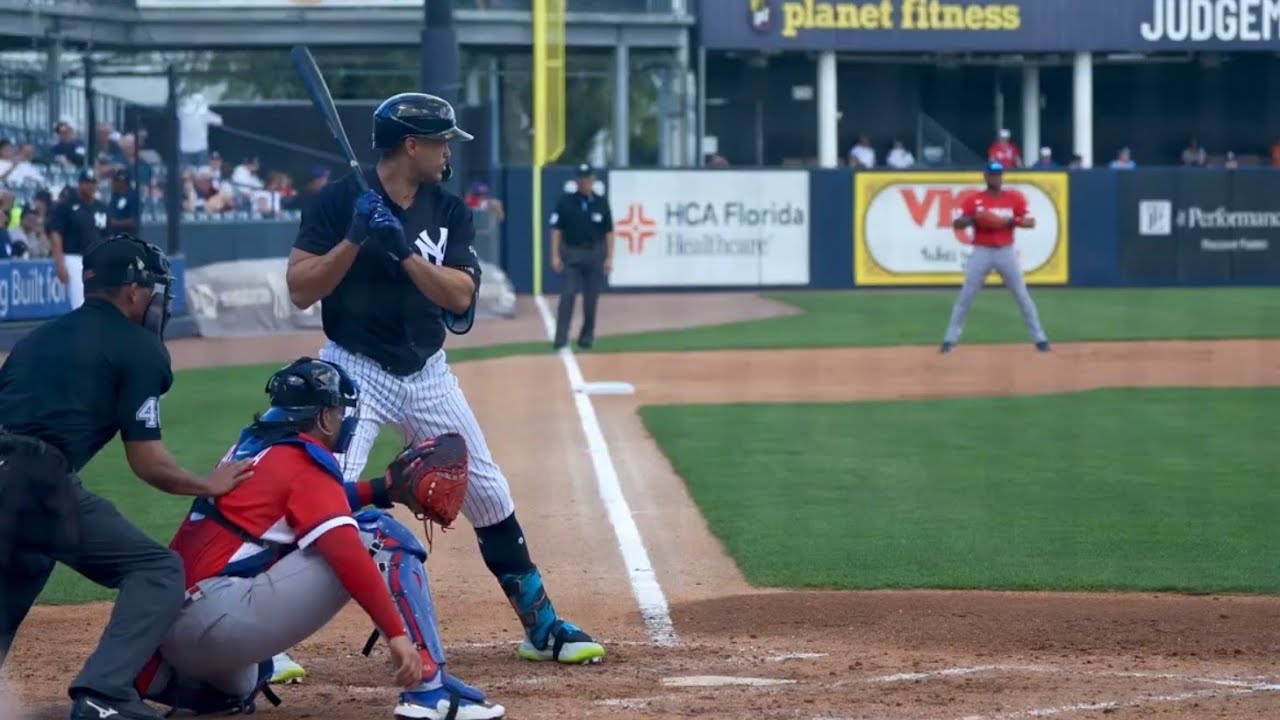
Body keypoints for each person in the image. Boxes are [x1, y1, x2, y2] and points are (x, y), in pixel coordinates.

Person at [280, 91, 604, 685]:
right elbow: (300, 289)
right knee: (318, 493)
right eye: (442, 141)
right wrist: (353, 240)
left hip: (427, 372)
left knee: (486, 492)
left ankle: (541, 625)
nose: (448, 151)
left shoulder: (450, 211)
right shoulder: (336, 204)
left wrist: (401, 251)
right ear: (412, 145)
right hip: (355, 371)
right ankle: (267, 639)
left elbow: (459, 296)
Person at [133, 357, 506, 720]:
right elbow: (345, 551)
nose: (344, 420)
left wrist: (381, 488)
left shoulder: (257, 448)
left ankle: (169, 682)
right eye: (339, 412)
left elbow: (305, 504)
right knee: (375, 533)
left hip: (172, 633)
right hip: (216, 621)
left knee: (244, 681)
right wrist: (395, 634)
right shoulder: (303, 461)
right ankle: (428, 691)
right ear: (324, 416)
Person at [0, 233, 254, 720]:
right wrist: (208, 483)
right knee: (156, 571)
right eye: (154, 290)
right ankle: (105, 693)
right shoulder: (140, 348)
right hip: (34, 475)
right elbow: (147, 462)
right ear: (133, 291)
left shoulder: (37, 337)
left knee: (24, 562)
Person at [939, 162, 1050, 354]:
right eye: (992, 174)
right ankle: (950, 340)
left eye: (998, 174)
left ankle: (1040, 339)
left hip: (1006, 251)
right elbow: (957, 224)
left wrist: (1008, 221)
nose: (996, 178)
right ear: (986, 177)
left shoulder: (1014, 198)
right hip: (981, 251)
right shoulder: (974, 200)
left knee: (1022, 297)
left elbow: (1030, 222)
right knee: (966, 297)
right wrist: (974, 218)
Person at [549, 163, 613, 350]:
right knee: (568, 295)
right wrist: (555, 255)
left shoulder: (601, 203)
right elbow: (556, 229)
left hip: (594, 253)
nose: (584, 182)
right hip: (572, 252)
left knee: (591, 298)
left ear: (592, 181)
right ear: (577, 181)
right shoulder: (566, 201)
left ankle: (587, 336)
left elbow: (609, 232)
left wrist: (609, 257)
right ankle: (561, 338)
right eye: (581, 179)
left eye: (587, 179)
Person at [49, 170, 110, 310]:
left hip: (97, 260)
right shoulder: (66, 206)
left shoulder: (101, 207)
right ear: (80, 184)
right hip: (74, 259)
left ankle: (95, 331)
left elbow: (107, 237)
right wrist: (59, 264)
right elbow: (56, 235)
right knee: (80, 303)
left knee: (100, 303)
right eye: (86, 182)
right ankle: (82, 331)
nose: (90, 186)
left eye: (93, 183)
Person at [108, 168, 141, 237]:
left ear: (123, 183)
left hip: (129, 238)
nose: (113, 183)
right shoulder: (114, 196)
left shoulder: (132, 196)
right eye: (114, 180)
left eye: (116, 181)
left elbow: (133, 222)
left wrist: (114, 223)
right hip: (115, 237)